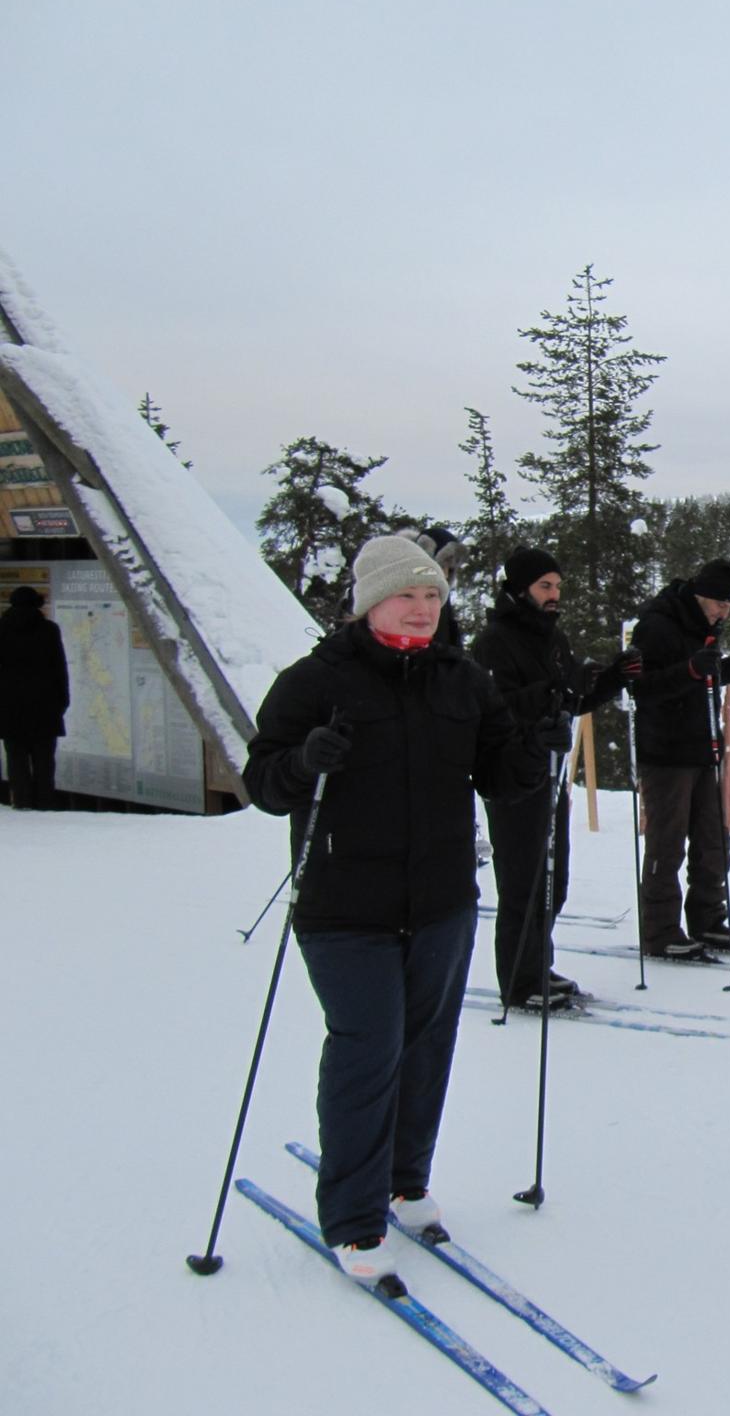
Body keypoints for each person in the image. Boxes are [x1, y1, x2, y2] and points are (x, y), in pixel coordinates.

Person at [242, 534, 570, 1287]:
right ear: (368, 603)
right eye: (405, 597)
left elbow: (501, 778)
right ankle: (354, 1220)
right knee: (368, 1050)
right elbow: (263, 782)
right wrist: (302, 762)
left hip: (441, 901)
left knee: (425, 1049)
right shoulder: (315, 682)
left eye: (431, 597)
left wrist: (535, 750)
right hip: (343, 908)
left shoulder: (462, 680)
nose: (422, 611)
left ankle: (404, 1180)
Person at [471, 547, 641, 1009]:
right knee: (523, 881)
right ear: (519, 588)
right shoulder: (495, 641)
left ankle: (536, 965)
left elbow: (570, 701)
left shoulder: (552, 637)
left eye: (557, 587)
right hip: (510, 773)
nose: (554, 595)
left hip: (549, 772)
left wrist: (611, 680)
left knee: (553, 879)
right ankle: (520, 981)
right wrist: (556, 690)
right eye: (545, 586)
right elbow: (494, 705)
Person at [632, 557, 730, 959]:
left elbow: (705, 675)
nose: (725, 611)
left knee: (714, 842)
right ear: (701, 594)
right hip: (665, 752)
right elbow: (641, 689)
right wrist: (690, 671)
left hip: (701, 747)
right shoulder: (657, 625)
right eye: (721, 604)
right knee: (666, 844)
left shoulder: (705, 625)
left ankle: (708, 921)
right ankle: (660, 932)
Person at [0, 585, 70, 810]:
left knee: (16, 760)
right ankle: (45, 803)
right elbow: (59, 670)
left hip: (9, 708)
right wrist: (61, 704)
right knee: (44, 762)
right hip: (45, 708)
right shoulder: (49, 630)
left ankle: (21, 802)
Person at [396, 525, 466, 646]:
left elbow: (450, 643)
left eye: (450, 569)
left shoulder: (440, 598)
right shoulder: (390, 589)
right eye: (442, 566)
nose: (445, 574)